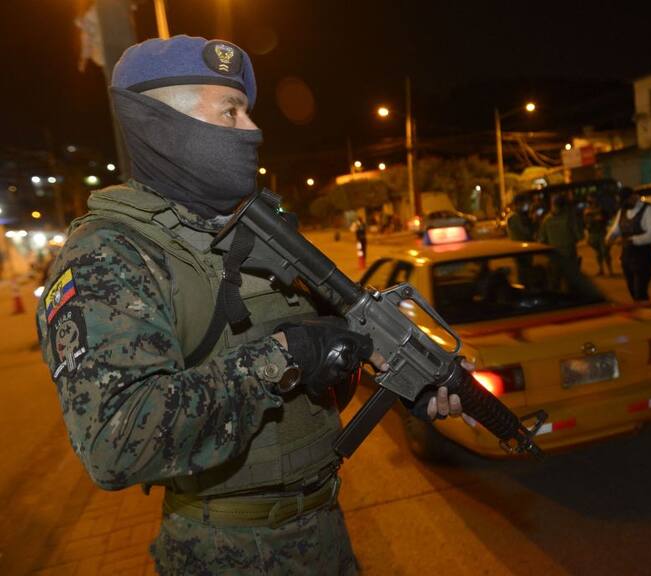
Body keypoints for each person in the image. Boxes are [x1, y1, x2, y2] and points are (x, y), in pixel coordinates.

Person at [35, 35, 462, 576]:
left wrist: (404, 380)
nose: (253, 130)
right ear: (162, 123)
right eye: (230, 112)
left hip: (323, 533)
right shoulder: (110, 254)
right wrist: (279, 358)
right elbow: (115, 441)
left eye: (248, 112)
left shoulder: (262, 229)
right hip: (223, 552)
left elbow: (328, 352)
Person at [606, 186, 651, 301]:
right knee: (632, 291)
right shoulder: (623, 211)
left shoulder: (648, 210)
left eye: (625, 201)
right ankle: (642, 311)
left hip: (643, 256)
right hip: (627, 256)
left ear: (633, 197)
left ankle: (647, 313)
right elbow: (616, 229)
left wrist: (632, 240)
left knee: (640, 291)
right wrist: (610, 238)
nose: (624, 205)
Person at [583, 194, 613, 276]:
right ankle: (601, 269)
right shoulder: (587, 211)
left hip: (601, 233)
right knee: (598, 253)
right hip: (593, 234)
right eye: (589, 201)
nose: (590, 203)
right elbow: (586, 223)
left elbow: (606, 219)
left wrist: (601, 219)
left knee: (605, 252)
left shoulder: (600, 210)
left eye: (591, 201)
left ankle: (610, 270)